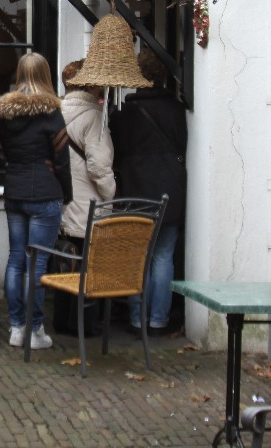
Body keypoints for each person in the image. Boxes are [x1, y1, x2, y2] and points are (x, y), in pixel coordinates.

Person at [0, 52, 71, 350]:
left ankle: (16, 327)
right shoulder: (52, 113)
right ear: (46, 75)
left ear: (19, 74)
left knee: (15, 260)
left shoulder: (3, 113)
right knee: (37, 263)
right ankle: (35, 331)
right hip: (45, 193)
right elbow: (62, 160)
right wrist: (67, 195)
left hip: (14, 191)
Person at [111, 49, 187, 335]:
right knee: (164, 256)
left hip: (136, 190)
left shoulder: (124, 115)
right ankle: (158, 320)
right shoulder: (177, 110)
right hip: (170, 189)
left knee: (137, 256)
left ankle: (136, 318)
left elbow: (116, 152)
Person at [60, 59, 116, 239]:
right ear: (89, 85)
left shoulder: (55, 113)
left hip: (62, 208)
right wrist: (111, 194)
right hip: (88, 210)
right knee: (88, 256)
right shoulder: (93, 117)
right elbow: (99, 167)